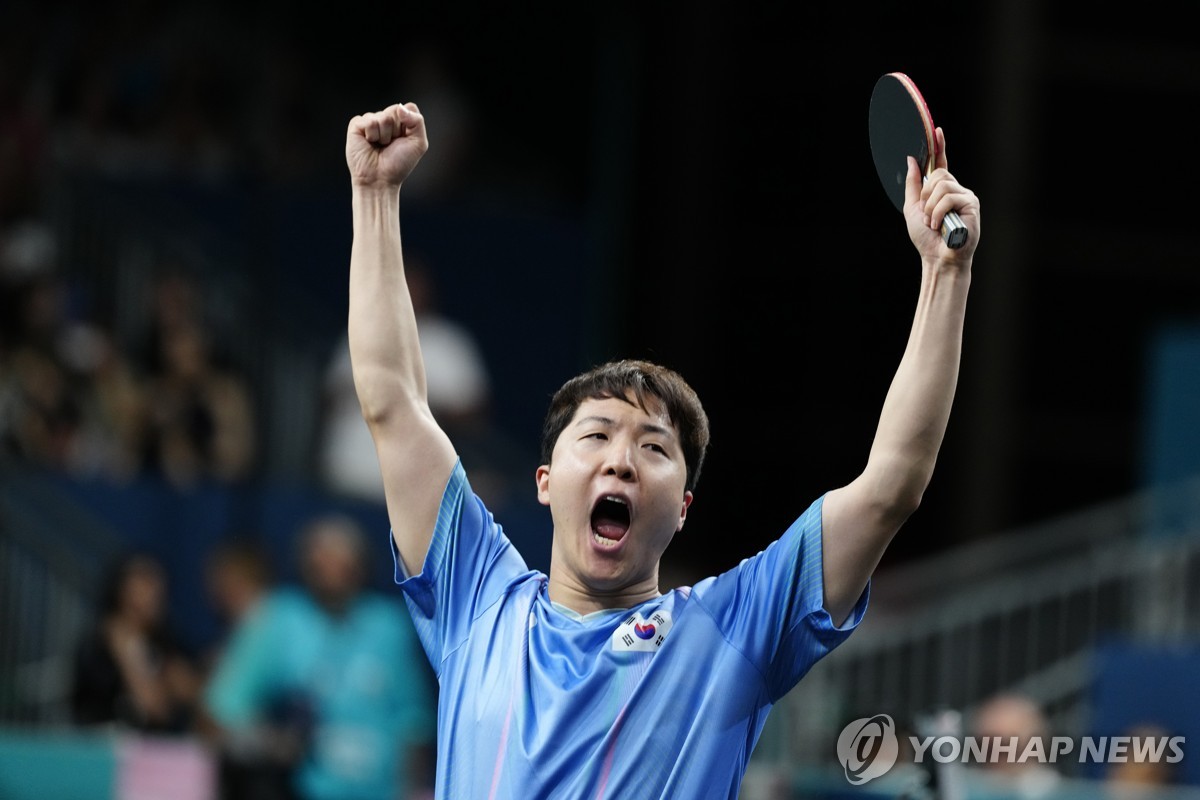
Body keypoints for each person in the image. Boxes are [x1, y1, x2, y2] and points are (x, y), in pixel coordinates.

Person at [344, 101, 979, 798]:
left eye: (652, 447)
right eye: (596, 436)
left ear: (682, 507)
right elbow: (391, 402)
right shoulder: (478, 601)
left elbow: (892, 484)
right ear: (547, 480)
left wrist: (945, 276)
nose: (620, 458)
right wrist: (376, 197)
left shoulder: (730, 630)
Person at [202, 514, 437, 800]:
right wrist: (269, 742)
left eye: (341, 558)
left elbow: (413, 724)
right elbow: (222, 708)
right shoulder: (280, 619)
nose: (330, 567)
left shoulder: (389, 626)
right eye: (320, 557)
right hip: (304, 789)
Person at [69, 551, 202, 734]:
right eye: (146, 582)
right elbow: (154, 705)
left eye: (158, 582)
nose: (155, 591)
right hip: (106, 747)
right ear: (122, 591)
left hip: (157, 745)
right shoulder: (110, 639)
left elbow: (198, 696)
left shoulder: (166, 643)